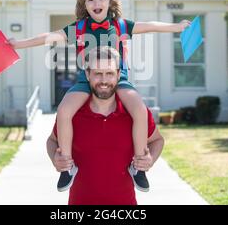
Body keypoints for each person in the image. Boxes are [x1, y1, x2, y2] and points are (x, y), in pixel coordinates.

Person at [8, 0, 191, 192]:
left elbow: (150, 26)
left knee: (140, 110)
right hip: (87, 79)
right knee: (65, 110)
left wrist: (177, 27)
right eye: (90, 0)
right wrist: (19, 44)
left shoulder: (120, 25)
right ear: (84, 5)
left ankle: (139, 167)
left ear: (110, 1)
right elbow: (48, 36)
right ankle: (67, 167)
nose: (96, 4)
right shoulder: (79, 28)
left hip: (118, 78)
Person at [46, 46, 165, 205]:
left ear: (118, 75)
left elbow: (157, 140)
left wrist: (150, 159)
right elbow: (52, 141)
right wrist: (56, 158)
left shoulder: (134, 114)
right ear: (87, 75)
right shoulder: (73, 114)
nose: (103, 80)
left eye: (109, 73)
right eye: (97, 73)